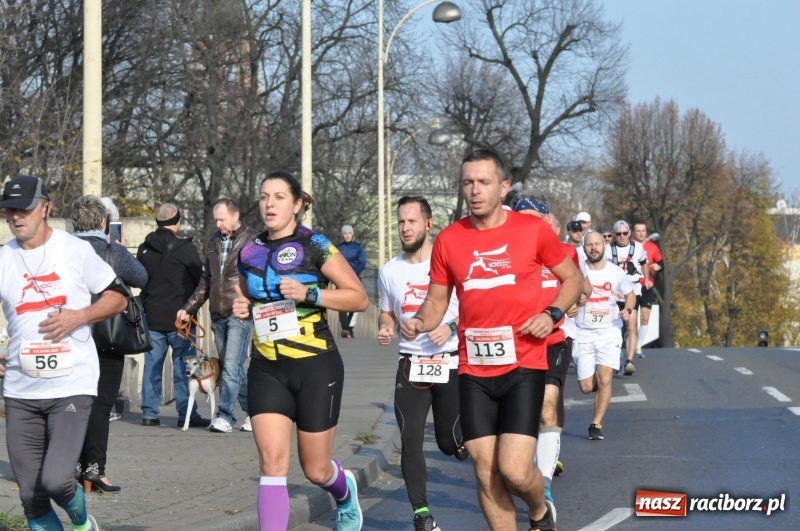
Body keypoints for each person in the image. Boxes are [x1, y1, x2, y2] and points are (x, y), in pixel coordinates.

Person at [400, 149, 582, 531]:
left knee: (514, 471)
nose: (474, 190)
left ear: (503, 187)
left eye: (483, 182)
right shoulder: (451, 239)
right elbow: (437, 299)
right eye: (468, 182)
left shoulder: (532, 232)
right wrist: (418, 321)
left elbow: (572, 280)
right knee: (485, 472)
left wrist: (551, 315)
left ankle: (538, 510)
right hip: (474, 367)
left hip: (523, 364)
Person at [231, 171, 369, 531]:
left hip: (315, 366)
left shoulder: (316, 245)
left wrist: (312, 294)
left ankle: (344, 491)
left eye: (278, 197)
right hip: (267, 367)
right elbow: (249, 292)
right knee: (272, 463)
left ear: (297, 204)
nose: (269, 204)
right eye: (264, 196)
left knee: (315, 469)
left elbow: (359, 297)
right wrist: (243, 305)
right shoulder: (249, 249)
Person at [0, 176, 127, 530]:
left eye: (23, 208)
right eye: (9, 209)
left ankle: (83, 523)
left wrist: (80, 316)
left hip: (71, 384)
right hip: (21, 392)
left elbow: (117, 297)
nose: (15, 216)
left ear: (46, 208)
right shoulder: (3, 259)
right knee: (30, 495)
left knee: (56, 480)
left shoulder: (74, 250)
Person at [377, 196, 467, 531]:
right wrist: (386, 326)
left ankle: (461, 443)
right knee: (410, 439)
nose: (405, 228)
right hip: (411, 363)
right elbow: (387, 311)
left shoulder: (449, 264)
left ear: (428, 224)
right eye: (401, 221)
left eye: (412, 221)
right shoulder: (389, 271)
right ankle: (421, 513)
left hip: (449, 362)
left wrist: (451, 326)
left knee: (447, 441)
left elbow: (473, 306)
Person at [510, 191, 589, 504]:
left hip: (553, 339)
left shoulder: (560, 251)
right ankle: (526, 464)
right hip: (514, 344)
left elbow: (581, 285)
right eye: (522, 220)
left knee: (547, 405)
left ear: (545, 223)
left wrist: (571, 301)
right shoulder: (505, 255)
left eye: (535, 221)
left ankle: (543, 487)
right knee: (519, 416)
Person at [72, 195, 148, 493]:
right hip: (109, 336)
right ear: (104, 222)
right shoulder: (111, 251)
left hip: (73, 335)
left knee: (73, 404)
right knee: (101, 405)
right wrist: (121, 248)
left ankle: (74, 467)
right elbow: (142, 276)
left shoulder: (64, 249)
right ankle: (95, 469)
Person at [178, 198, 259, 434]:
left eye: (222, 218)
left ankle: (225, 416)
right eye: (216, 219)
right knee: (229, 369)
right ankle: (255, 413)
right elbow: (206, 280)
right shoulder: (213, 241)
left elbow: (259, 276)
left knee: (232, 366)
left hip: (240, 312)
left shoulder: (252, 239)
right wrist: (188, 308)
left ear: (236, 216)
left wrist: (251, 302)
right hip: (218, 313)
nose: (218, 223)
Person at [137, 203, 206, 428]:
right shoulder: (185, 249)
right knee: (183, 367)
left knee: (152, 366)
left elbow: (139, 279)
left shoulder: (143, 249)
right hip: (181, 319)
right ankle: (186, 414)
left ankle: (149, 413)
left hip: (152, 316)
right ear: (177, 222)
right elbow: (201, 281)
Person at [574, 230, 636, 440]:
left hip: (609, 332)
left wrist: (627, 309)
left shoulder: (616, 272)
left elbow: (630, 295)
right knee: (585, 386)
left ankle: (596, 424)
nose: (594, 248)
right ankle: (596, 387)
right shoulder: (577, 272)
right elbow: (565, 296)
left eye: (597, 244)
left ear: (604, 246)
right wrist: (576, 302)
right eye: (589, 245)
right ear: (584, 249)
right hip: (583, 333)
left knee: (605, 378)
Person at [604, 220, 649, 375]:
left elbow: (644, 263)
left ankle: (629, 361)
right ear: (614, 235)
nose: (622, 236)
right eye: (618, 234)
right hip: (614, 294)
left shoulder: (638, 248)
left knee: (631, 326)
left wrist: (646, 279)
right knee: (614, 328)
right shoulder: (608, 250)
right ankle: (615, 357)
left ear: (629, 233)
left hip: (633, 292)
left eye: (624, 233)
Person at [632, 222, 663, 356]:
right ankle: (629, 342)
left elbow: (661, 263)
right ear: (634, 232)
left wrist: (658, 267)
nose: (641, 233)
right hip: (632, 286)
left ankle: (638, 346)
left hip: (647, 285)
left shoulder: (652, 247)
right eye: (638, 230)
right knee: (631, 320)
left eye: (643, 230)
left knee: (645, 317)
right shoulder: (629, 246)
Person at [337, 224, 366, 338]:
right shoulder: (338, 248)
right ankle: (345, 328)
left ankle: (349, 327)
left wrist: (353, 273)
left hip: (355, 277)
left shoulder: (358, 247)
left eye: (349, 233)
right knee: (341, 303)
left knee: (355, 303)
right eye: (345, 233)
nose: (347, 235)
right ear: (342, 235)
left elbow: (362, 262)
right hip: (341, 278)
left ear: (352, 234)